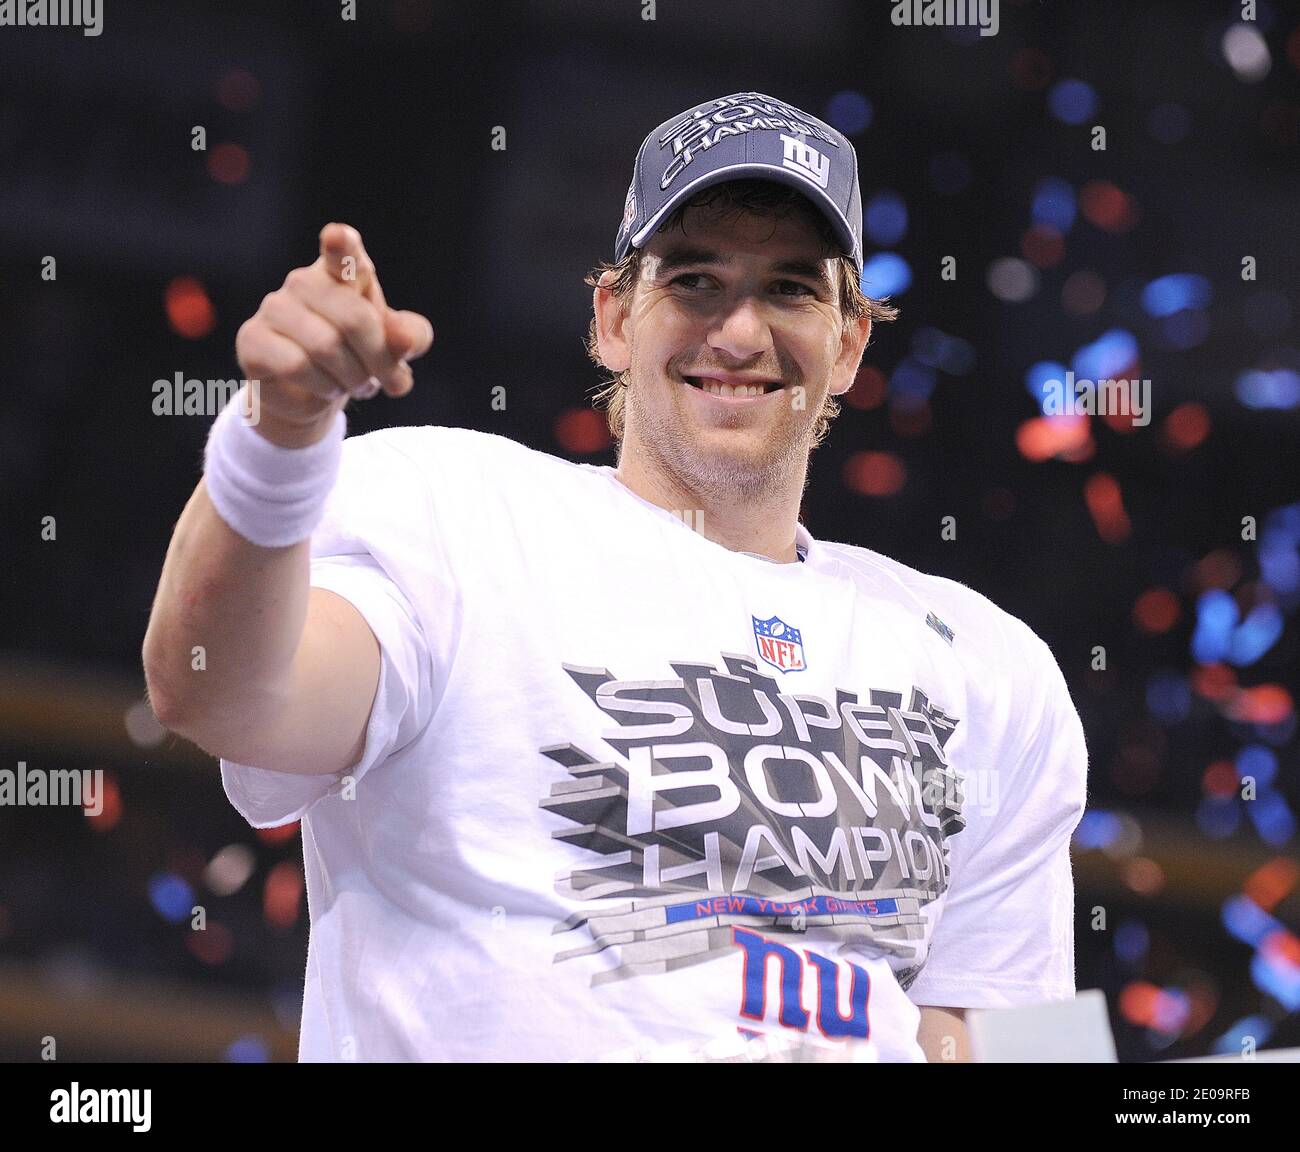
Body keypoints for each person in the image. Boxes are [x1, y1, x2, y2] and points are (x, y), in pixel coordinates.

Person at [143, 91, 1088, 1063]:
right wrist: (280, 434)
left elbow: (1006, 1037)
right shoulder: (453, 511)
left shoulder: (991, 662)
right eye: (694, 281)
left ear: (849, 343)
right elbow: (216, 693)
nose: (738, 333)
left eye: (793, 289)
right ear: (610, 318)